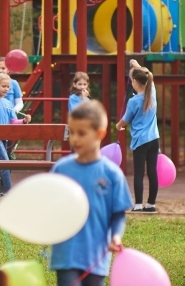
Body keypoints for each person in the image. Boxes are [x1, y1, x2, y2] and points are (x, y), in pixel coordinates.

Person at [51, 100, 132, 286]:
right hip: (66, 255)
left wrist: (116, 237)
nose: (75, 139)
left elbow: (118, 215)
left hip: (97, 256)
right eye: (72, 132)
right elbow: (51, 205)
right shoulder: (61, 169)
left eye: (82, 133)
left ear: (100, 134)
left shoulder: (112, 174)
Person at [116, 64, 160, 213]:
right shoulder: (152, 92)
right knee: (152, 171)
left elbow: (126, 119)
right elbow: (149, 75)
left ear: (134, 82)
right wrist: (137, 65)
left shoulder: (133, 101)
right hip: (154, 139)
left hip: (140, 141)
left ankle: (139, 205)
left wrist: (118, 126)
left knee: (139, 172)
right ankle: (151, 204)